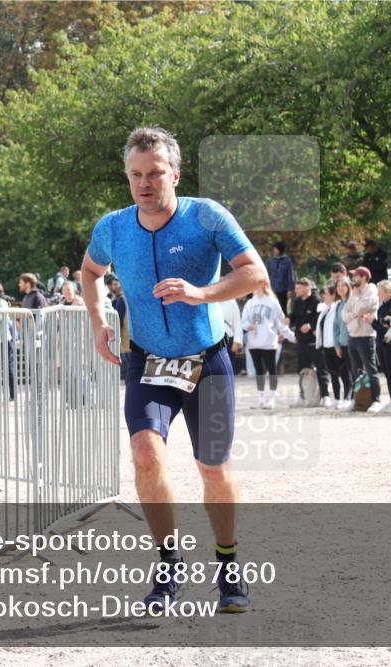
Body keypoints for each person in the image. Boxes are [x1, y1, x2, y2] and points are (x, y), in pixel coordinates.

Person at [80, 127, 266, 614]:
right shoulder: (113, 227)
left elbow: (255, 274)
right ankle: (168, 566)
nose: (145, 183)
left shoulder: (205, 216)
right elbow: (91, 272)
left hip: (207, 361)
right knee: (145, 455)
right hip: (147, 360)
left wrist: (200, 293)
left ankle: (228, 564)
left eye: (155, 173)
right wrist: (100, 321)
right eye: (136, 175)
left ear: (175, 174)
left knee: (214, 469)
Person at [242, 286, 294, 409]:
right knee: (258, 371)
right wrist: (248, 326)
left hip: (269, 341)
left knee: (271, 369)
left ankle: (271, 398)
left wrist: (292, 336)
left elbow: (280, 323)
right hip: (253, 342)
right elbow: (243, 321)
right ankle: (260, 398)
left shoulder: (272, 302)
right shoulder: (250, 302)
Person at [342, 266, 383, 413]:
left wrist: (354, 311)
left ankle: (376, 400)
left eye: (356, 276)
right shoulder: (354, 292)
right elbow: (344, 314)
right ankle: (357, 399)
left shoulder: (371, 290)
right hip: (353, 336)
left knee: (371, 369)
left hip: (366, 336)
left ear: (364, 277)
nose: (353, 279)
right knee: (355, 371)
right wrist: (354, 313)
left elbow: (360, 308)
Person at [289, 277, 329, 407]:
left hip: (314, 342)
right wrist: (289, 319)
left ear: (307, 288)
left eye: (298, 288)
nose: (296, 291)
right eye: (296, 288)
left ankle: (325, 396)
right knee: (302, 370)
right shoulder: (297, 301)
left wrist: (310, 326)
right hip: (301, 341)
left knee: (321, 370)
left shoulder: (317, 301)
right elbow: (294, 315)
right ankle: (303, 396)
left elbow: (319, 317)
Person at [374, 280, 391, 410]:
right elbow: (382, 326)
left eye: (379, 292)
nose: (378, 295)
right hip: (381, 343)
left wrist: (374, 323)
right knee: (387, 372)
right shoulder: (382, 307)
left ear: (386, 292)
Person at [333, 276, 354, 411]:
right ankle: (346, 398)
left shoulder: (352, 302)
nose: (340, 288)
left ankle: (353, 398)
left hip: (353, 342)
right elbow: (336, 326)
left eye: (343, 285)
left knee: (353, 372)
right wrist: (337, 345)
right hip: (342, 344)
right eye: (338, 286)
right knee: (344, 373)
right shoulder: (339, 305)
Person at [267, 241, 296, 316]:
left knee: (282, 308)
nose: (274, 251)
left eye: (275, 249)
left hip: (283, 289)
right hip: (272, 289)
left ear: (279, 250)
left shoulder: (287, 261)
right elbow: (268, 273)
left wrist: (290, 289)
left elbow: (291, 275)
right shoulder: (272, 261)